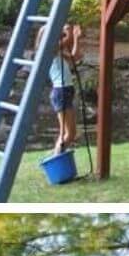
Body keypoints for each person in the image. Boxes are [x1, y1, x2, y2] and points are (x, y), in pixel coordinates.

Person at [36, 22, 82, 156]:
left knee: (69, 133)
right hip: (61, 92)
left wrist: (76, 38)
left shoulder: (56, 50)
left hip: (65, 91)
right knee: (68, 133)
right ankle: (55, 158)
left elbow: (75, 58)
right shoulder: (48, 49)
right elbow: (67, 40)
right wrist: (69, 32)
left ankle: (56, 155)